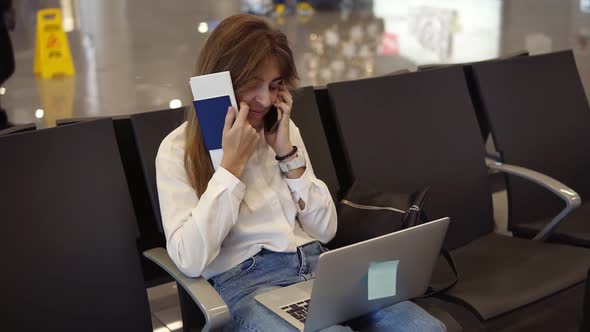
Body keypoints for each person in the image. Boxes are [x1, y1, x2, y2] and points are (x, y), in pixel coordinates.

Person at [156, 14, 446, 332]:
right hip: (247, 286)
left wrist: (287, 153)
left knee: (425, 328)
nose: (265, 100)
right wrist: (231, 168)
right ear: (220, 79)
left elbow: (325, 230)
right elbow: (188, 259)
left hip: (319, 267)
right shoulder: (177, 150)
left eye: (274, 86)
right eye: (252, 84)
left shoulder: (282, 130)